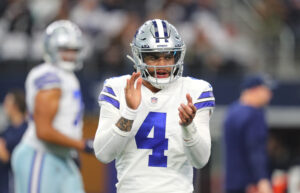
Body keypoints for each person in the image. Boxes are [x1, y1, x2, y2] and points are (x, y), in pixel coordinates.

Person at [93, 19, 215, 193]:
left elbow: (201, 160)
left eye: (168, 56)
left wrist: (188, 127)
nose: (162, 64)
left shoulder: (196, 90)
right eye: (154, 57)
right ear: (139, 56)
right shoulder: (118, 88)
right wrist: (129, 112)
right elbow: (103, 154)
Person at [11, 20, 94, 193]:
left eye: (74, 50)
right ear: (51, 48)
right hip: (39, 155)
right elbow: (44, 131)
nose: (70, 55)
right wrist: (82, 144)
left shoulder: (68, 77)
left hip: (62, 157)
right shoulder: (48, 75)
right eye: (65, 50)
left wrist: (73, 150)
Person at [223, 75, 274, 193]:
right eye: (267, 90)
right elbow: (255, 149)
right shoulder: (254, 113)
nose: (270, 94)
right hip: (250, 185)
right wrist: (262, 180)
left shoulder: (232, 111)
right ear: (255, 89)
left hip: (232, 183)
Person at [0, 90, 27, 193]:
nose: (5, 107)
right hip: (4, 183)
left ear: (15, 106)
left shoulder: (26, 131)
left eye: (7, 104)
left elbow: (6, 156)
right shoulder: (7, 130)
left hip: (17, 184)